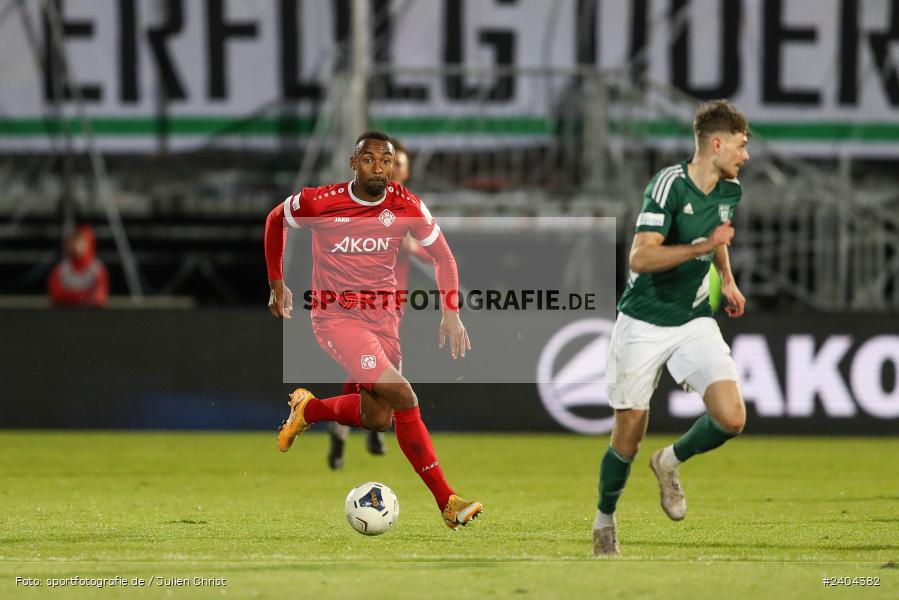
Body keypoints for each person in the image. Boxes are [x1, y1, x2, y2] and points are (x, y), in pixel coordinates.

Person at [264, 130, 482, 529]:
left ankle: (307, 409)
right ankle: (447, 500)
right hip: (336, 319)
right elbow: (276, 218)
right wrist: (277, 281)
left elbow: (443, 257)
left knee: (377, 417)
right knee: (403, 394)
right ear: (354, 163)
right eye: (369, 160)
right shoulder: (321, 201)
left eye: (385, 161)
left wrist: (450, 312)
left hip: (385, 321)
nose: (378, 168)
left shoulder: (406, 205)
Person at [592, 100, 750, 556]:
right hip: (642, 321)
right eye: (740, 146)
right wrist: (704, 244)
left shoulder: (730, 189)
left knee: (732, 417)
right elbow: (640, 257)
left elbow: (719, 235)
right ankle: (604, 521)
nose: (745, 156)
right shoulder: (668, 186)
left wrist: (730, 282)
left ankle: (669, 462)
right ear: (715, 144)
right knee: (628, 435)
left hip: (694, 318)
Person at [326, 140, 433, 469]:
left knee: (371, 372)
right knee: (373, 371)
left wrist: (411, 245)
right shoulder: (363, 204)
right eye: (389, 163)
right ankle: (351, 429)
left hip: (392, 307)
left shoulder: (410, 207)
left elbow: (435, 253)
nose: (392, 170)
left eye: (397, 164)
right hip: (359, 303)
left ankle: (349, 429)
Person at [48, 224, 109, 307]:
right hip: (65, 313)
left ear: (89, 242)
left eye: (81, 241)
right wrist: (82, 297)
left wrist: (71, 296)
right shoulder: (62, 268)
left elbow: (99, 298)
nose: (76, 245)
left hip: (91, 315)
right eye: (74, 241)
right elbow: (56, 295)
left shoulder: (97, 268)